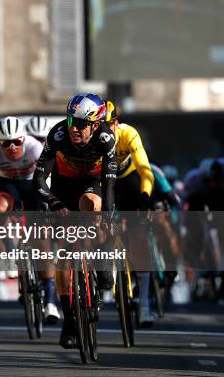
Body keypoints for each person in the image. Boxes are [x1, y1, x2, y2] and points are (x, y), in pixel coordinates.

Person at [33, 93, 116, 349]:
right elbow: (38, 180)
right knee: (64, 260)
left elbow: (109, 182)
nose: (74, 128)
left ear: (94, 124)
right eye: (71, 121)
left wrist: (108, 216)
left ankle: (102, 262)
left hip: (92, 183)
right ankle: (69, 321)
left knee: (93, 207)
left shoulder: (105, 138)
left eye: (81, 124)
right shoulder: (58, 135)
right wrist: (54, 202)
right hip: (63, 185)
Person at [0, 116, 59, 320]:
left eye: (16, 141)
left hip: (34, 184)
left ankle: (50, 302)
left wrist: (49, 204)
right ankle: (10, 255)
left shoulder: (35, 148)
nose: (12, 146)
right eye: (6, 143)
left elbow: (46, 180)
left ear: (24, 139)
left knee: (42, 241)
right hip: (8, 186)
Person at [102, 100, 156, 327]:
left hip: (131, 182)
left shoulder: (128, 134)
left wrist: (145, 198)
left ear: (117, 123)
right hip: (106, 183)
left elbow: (145, 170)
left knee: (138, 237)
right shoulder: (92, 142)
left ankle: (144, 303)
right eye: (99, 127)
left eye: (109, 125)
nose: (106, 132)